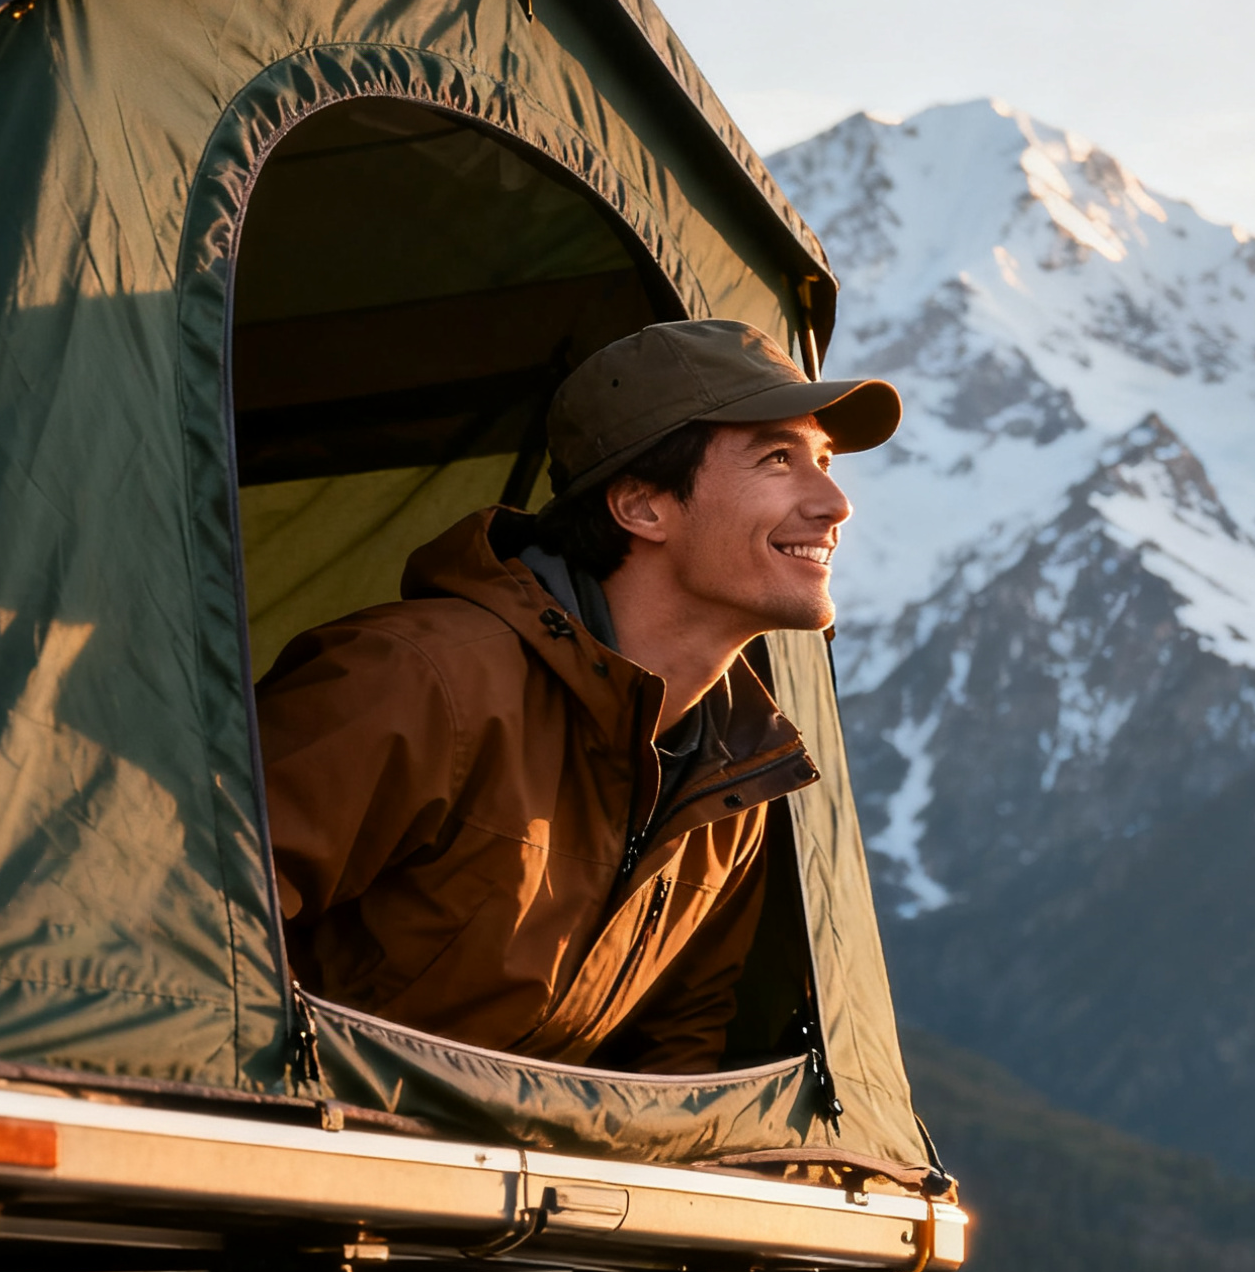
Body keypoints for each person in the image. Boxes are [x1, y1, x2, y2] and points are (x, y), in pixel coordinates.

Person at [256, 319, 900, 1074]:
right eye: (778, 460)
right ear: (642, 506)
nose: (836, 502)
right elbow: (197, 942)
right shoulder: (414, 681)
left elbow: (681, 1053)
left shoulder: (731, 774)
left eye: (823, 461)